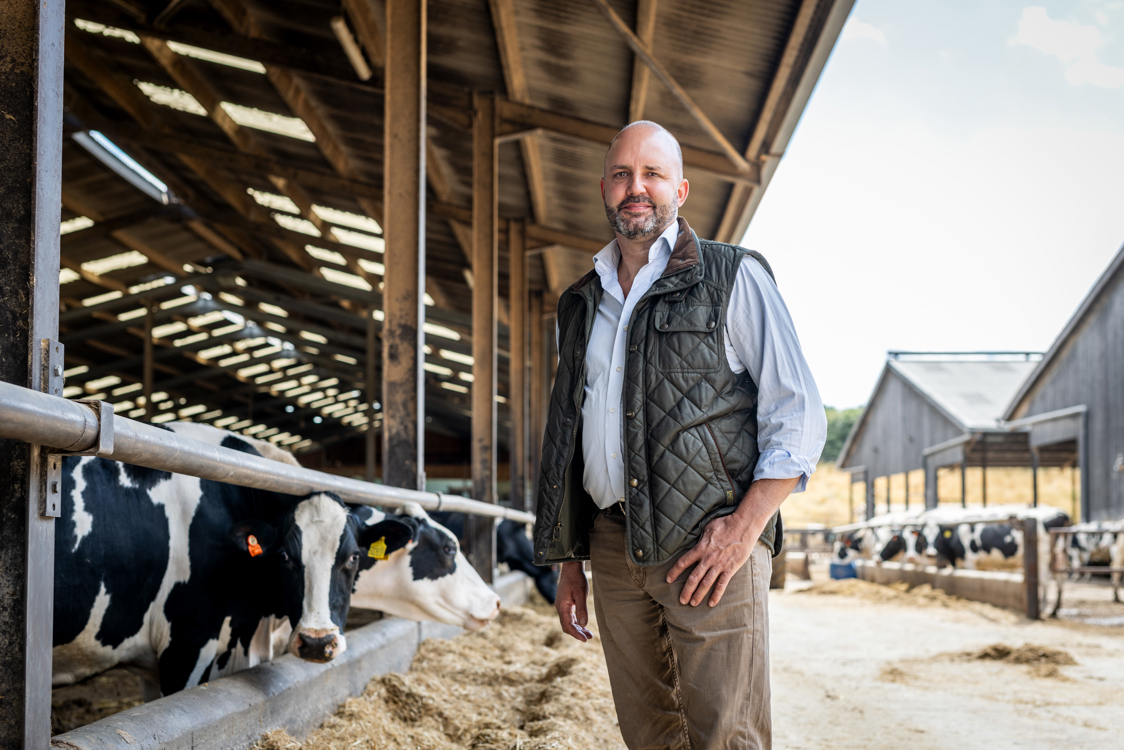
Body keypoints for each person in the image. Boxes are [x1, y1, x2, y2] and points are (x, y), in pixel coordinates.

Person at [531, 120, 826, 749]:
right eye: (621, 174)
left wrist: (743, 530)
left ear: (680, 189)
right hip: (612, 549)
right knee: (649, 735)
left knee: (726, 735)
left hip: (709, 547)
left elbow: (797, 413)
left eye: (652, 174)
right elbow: (571, 433)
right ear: (604, 189)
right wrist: (568, 558)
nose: (635, 187)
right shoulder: (579, 302)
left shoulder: (733, 276)